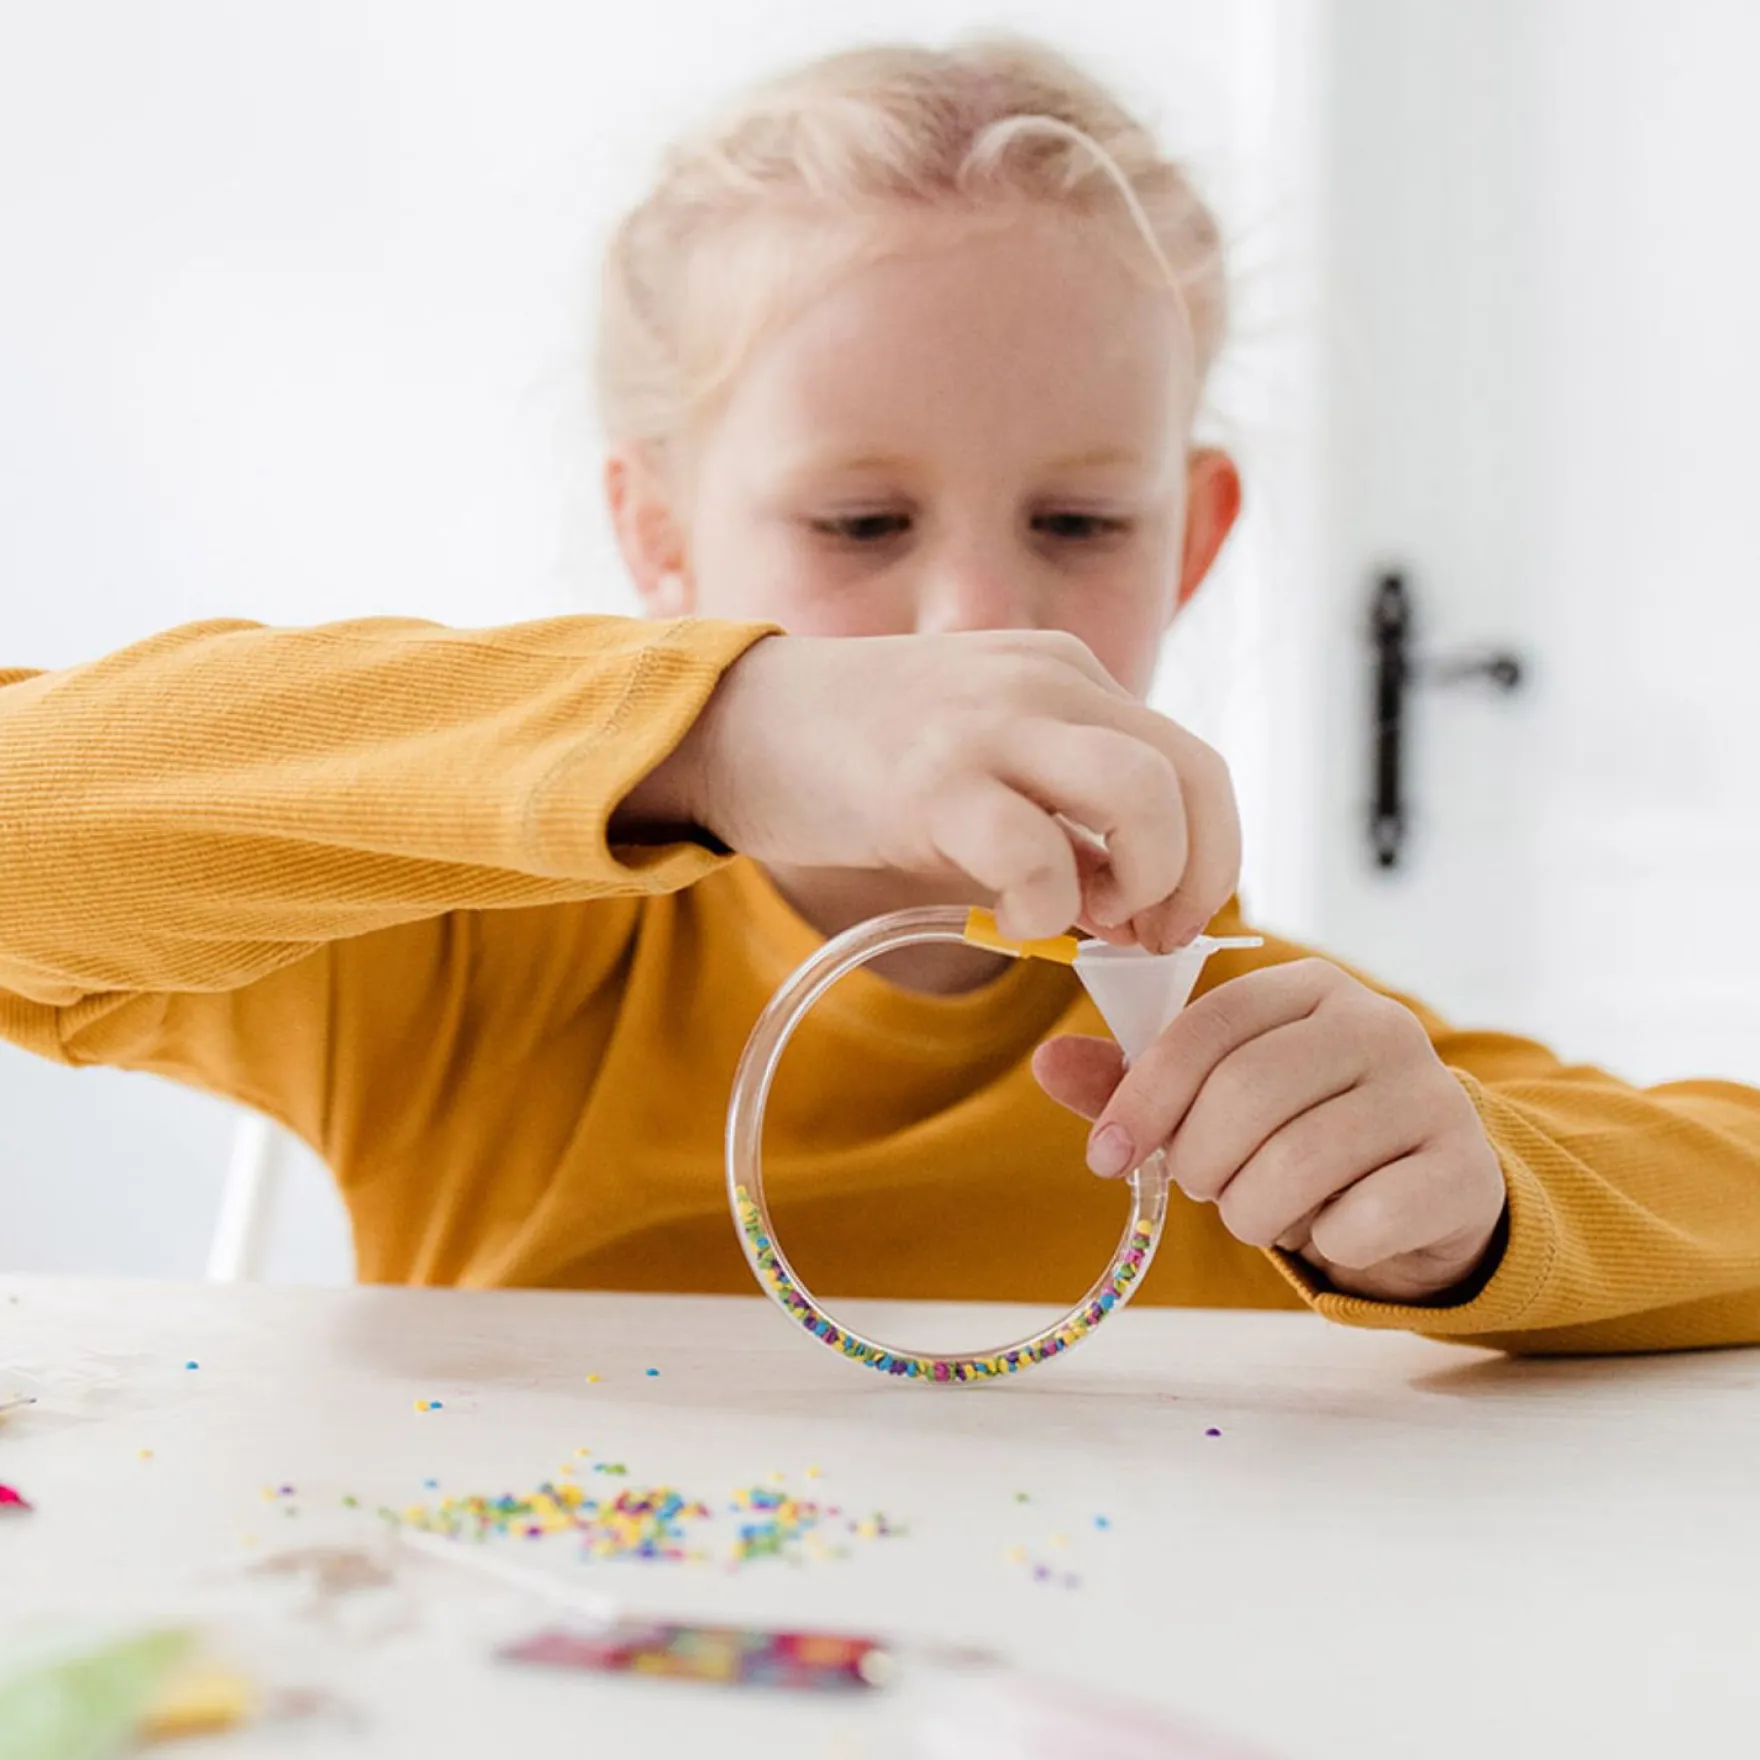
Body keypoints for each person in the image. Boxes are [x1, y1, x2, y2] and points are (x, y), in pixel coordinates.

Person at [2, 38, 1756, 1352]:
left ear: (1194, 542)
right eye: (859, 523)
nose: (972, 617)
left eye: (1079, 522)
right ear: (661, 536)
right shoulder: (474, 961)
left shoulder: (1247, 1053)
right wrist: (723, 728)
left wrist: (1471, 1219)